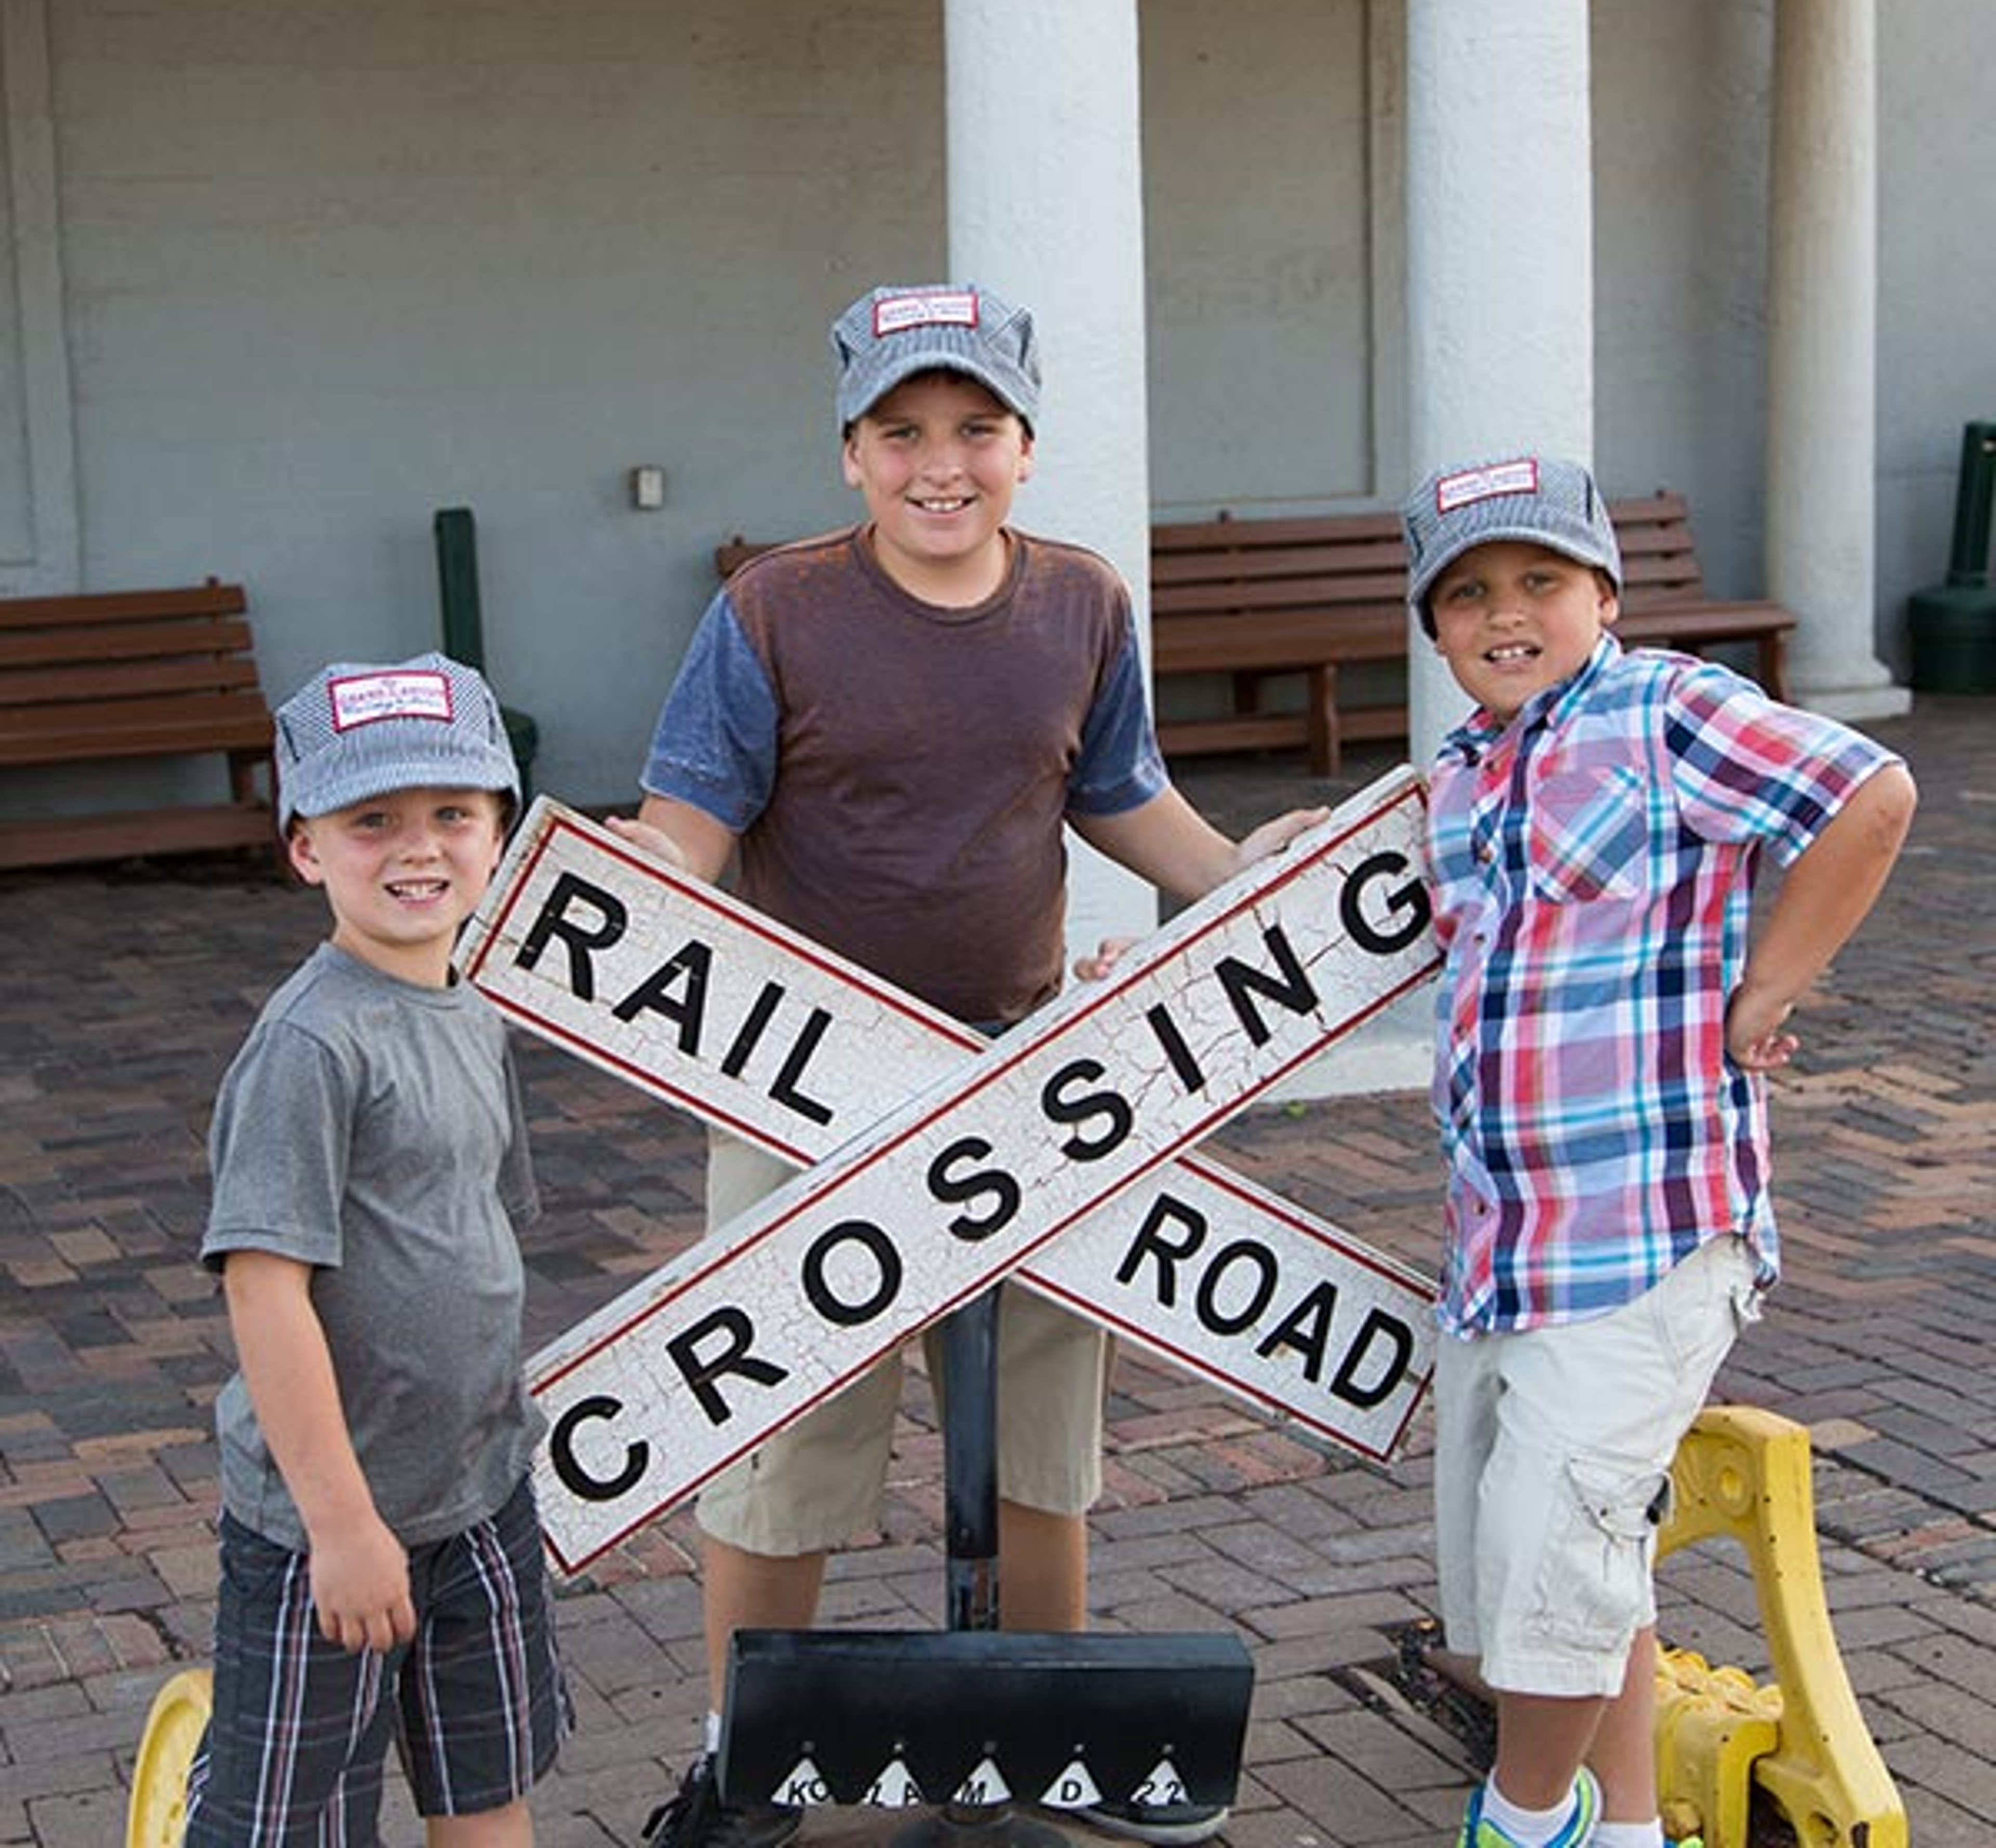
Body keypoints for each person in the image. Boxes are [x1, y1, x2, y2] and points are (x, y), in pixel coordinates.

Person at [622, 281, 1326, 1848]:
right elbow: (691, 819)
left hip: (1029, 1084)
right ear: (851, 455)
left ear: (1022, 446)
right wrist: (639, 888)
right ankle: (745, 1759)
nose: (941, 463)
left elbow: (1120, 795)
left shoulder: (1082, 601)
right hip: (802, 1085)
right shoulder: (771, 612)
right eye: (902, 433)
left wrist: (1243, 881)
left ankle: (1051, 1731)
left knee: (1037, 1428)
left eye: (976, 430)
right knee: (783, 1423)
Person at [1400, 455, 1918, 1848]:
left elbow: (1869, 794)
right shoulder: (1456, 778)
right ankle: (1624, 1827)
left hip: (1643, 1233)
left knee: (1551, 1565)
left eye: (1540, 581)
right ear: (1436, 629)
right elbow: (1329, 888)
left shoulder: (1662, 710)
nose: (1507, 614)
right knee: (1552, 1560)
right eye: (1468, 594)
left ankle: (1523, 1820)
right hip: (1503, 1248)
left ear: (1605, 594)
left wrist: (1768, 986)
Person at [183, 652, 571, 1847]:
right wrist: (344, 1527)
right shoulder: (310, 1047)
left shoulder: (473, 1008)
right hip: (324, 1531)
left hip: (477, 1498)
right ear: (306, 848)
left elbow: (474, 1242)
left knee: (486, 1786)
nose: (418, 848)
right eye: (372, 822)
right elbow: (267, 1295)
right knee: (291, 1824)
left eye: (452, 815)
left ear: (498, 830)